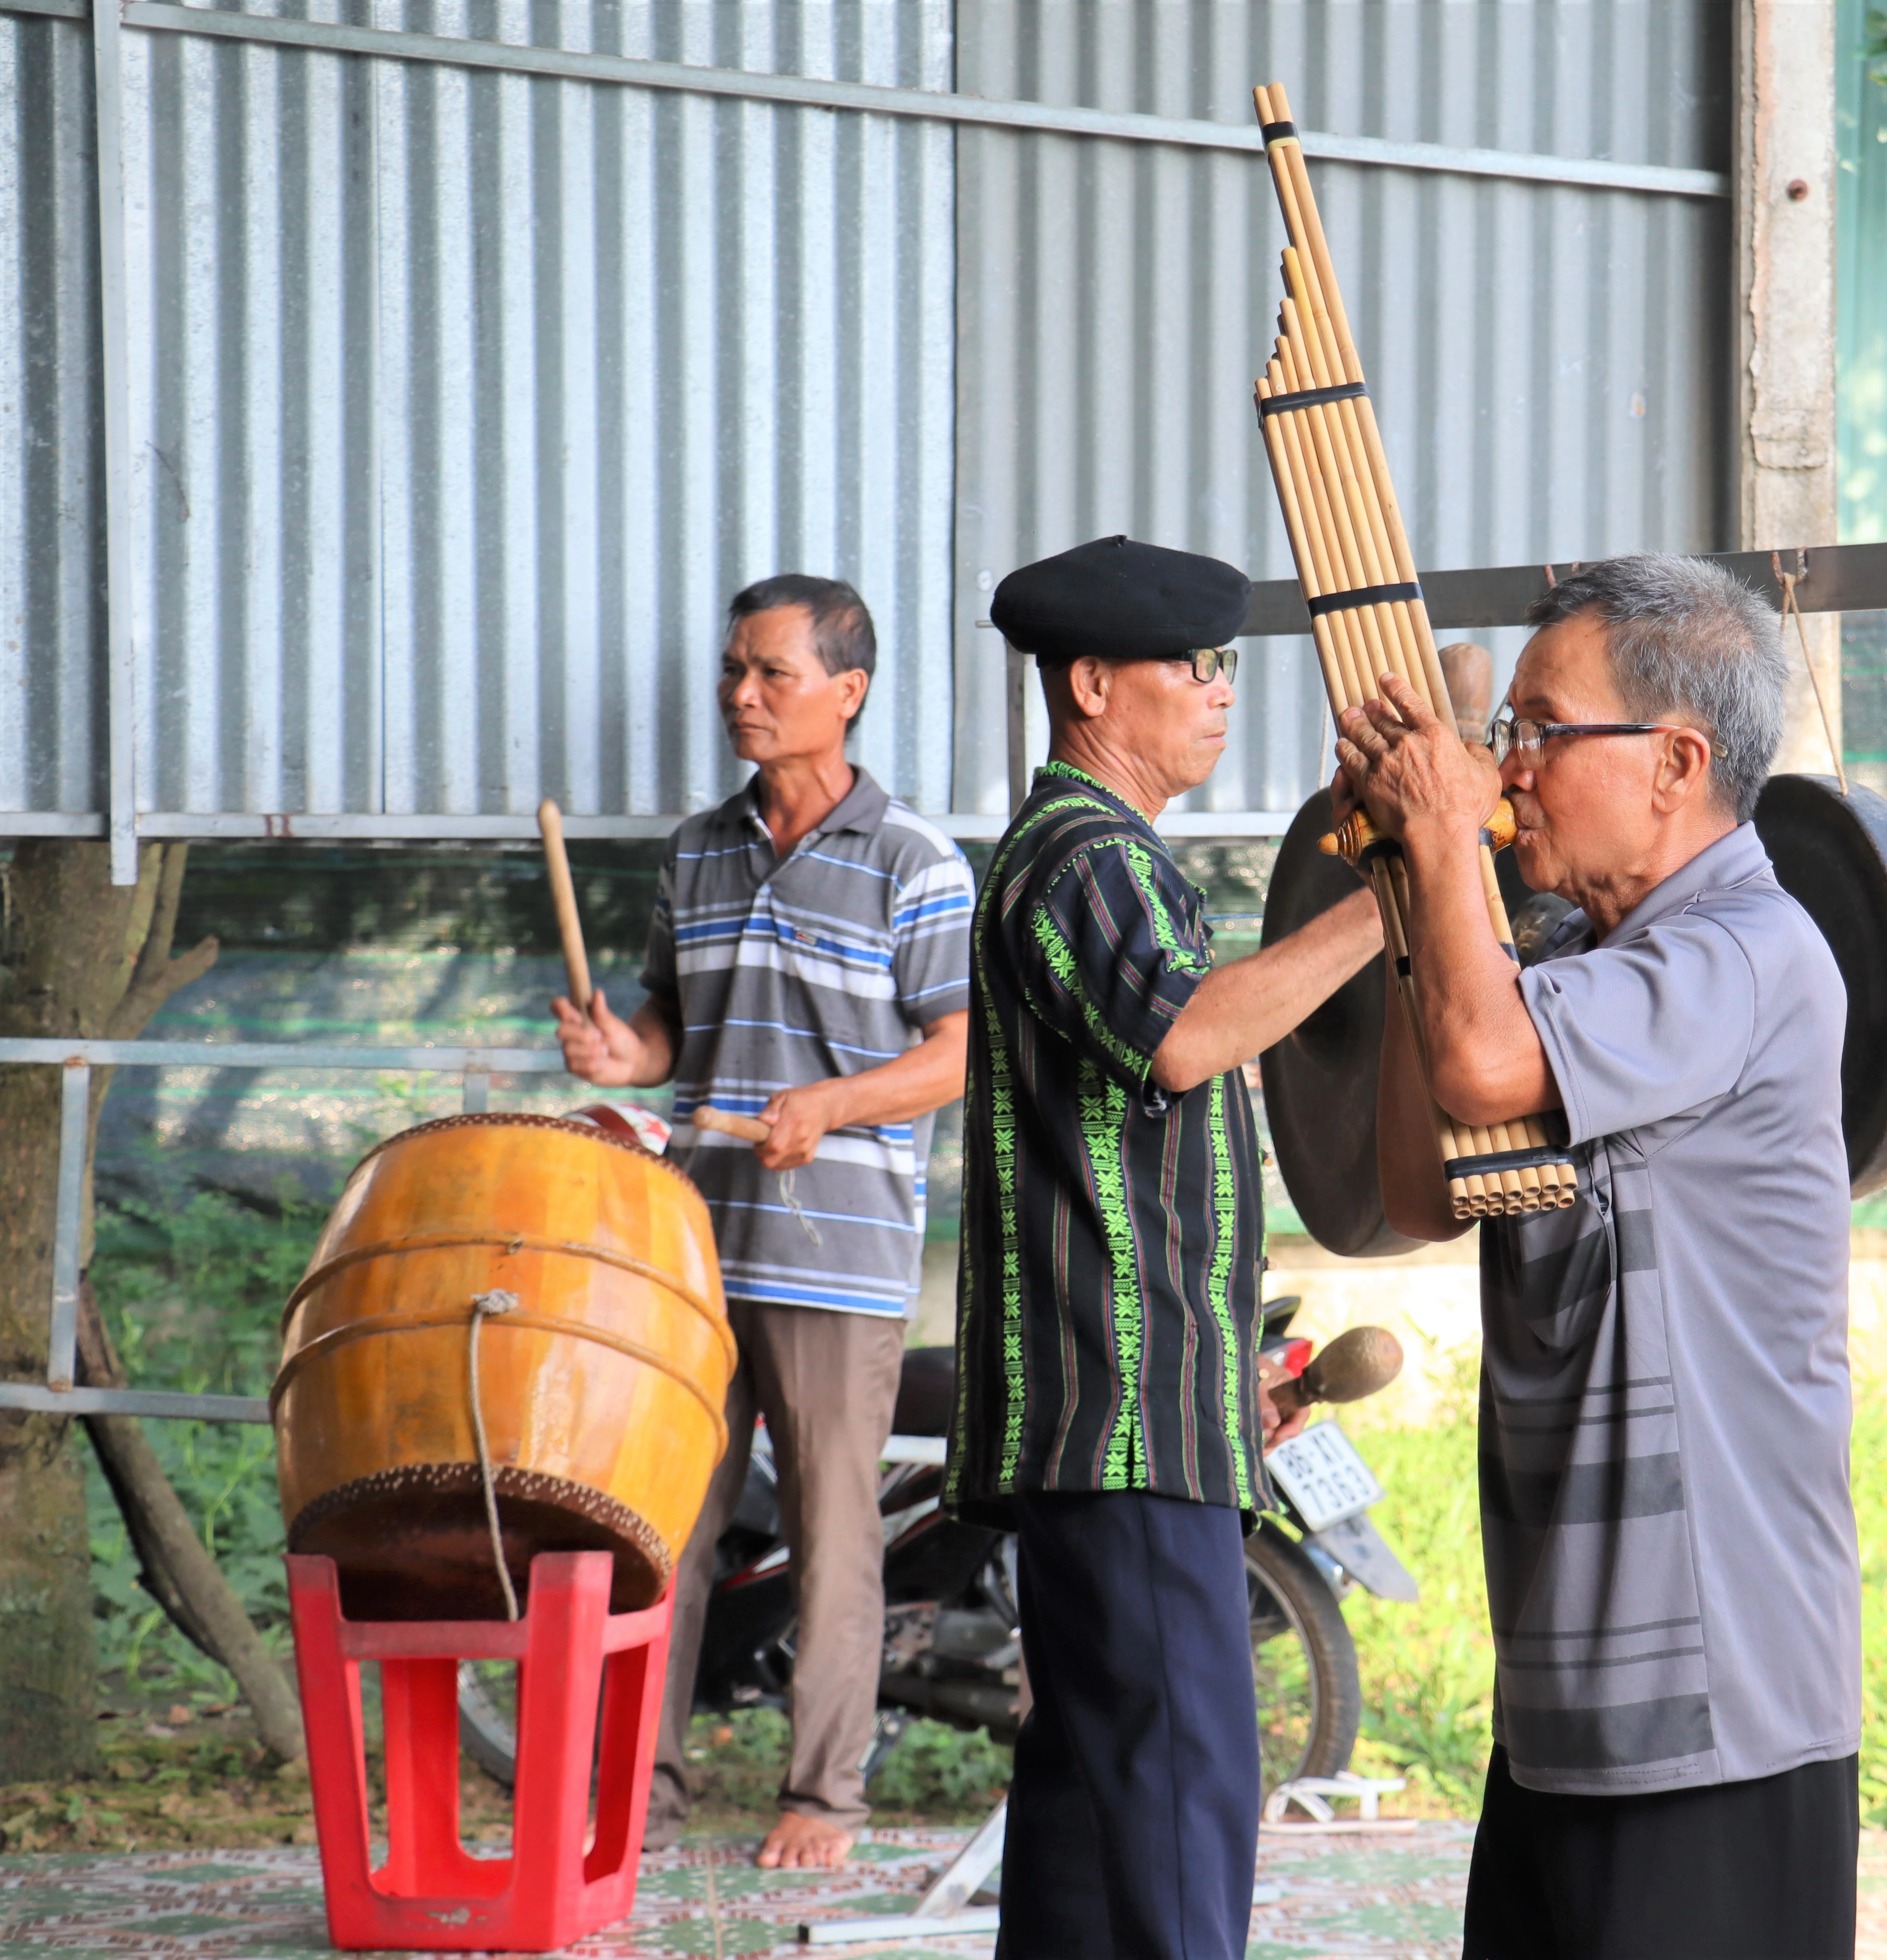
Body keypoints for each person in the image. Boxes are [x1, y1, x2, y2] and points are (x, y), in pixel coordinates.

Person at [1335, 555, 1861, 1960]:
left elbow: (1487, 1058)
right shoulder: (1576, 948)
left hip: (1714, 1696)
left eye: (1540, 731)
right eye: (1502, 731)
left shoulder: (1749, 953)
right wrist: (1411, 888)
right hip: (1573, 1686)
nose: (1506, 767)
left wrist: (1447, 851)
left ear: (1673, 763)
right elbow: (1419, 1185)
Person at [950, 535, 1382, 1959]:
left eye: (1225, 666)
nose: (1218, 693)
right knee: (1184, 1798)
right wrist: (1401, 899)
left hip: (1141, 1416)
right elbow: (1189, 1039)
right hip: (1116, 1425)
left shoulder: (1111, 859)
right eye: (1190, 668)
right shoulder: (1083, 857)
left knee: (1093, 1815)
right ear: (1090, 686)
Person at [554, 573, 974, 1870]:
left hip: (839, 1259)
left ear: (846, 693)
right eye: (735, 671)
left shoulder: (916, 859)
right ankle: (635, 1797)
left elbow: (963, 1053)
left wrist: (836, 1105)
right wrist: (628, 1058)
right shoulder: (697, 849)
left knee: (835, 1535)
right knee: (660, 1532)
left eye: (772, 674)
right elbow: (676, 1028)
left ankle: (824, 1800)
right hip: (689, 1253)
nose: (743, 694)